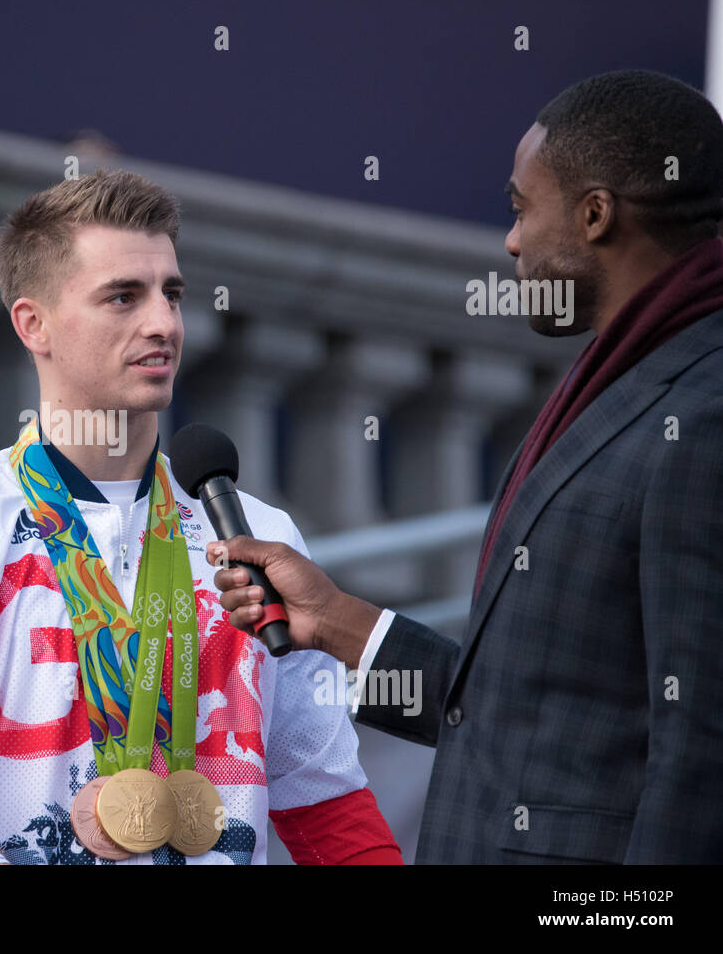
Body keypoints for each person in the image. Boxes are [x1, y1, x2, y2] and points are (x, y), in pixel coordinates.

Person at [210, 70, 723, 863]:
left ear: (594, 215)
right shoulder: (616, 380)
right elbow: (527, 711)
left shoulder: (703, 407)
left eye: (522, 207)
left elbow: (701, 753)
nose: (512, 241)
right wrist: (339, 623)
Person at [0, 169, 402, 864]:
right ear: (33, 323)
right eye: (123, 297)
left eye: (171, 294)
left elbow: (324, 795)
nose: (164, 323)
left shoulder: (257, 536)